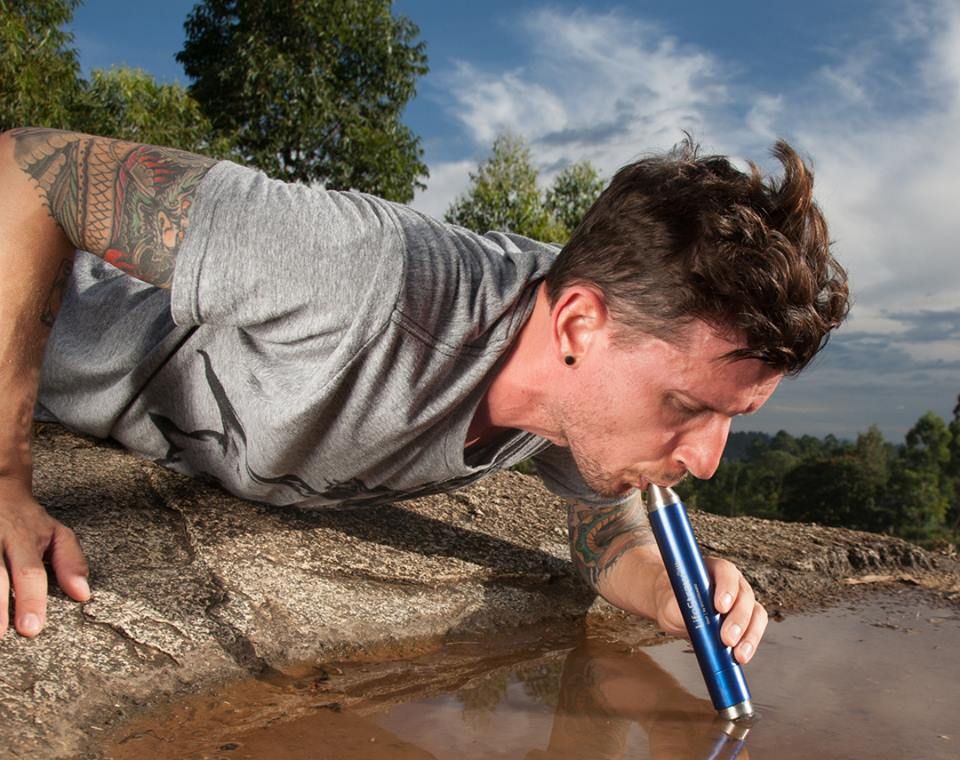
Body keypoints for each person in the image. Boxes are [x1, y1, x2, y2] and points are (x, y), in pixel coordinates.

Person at [0, 127, 849, 653]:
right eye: (689, 407)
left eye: (729, 419)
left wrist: (665, 586)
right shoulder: (363, 271)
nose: (704, 462)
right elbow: (34, 170)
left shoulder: (580, 392)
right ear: (580, 329)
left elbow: (608, 537)